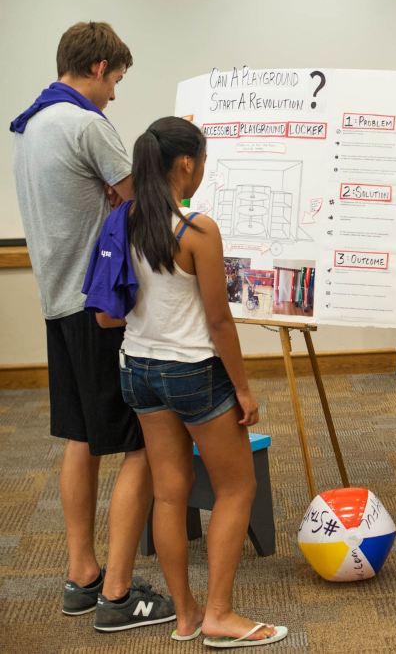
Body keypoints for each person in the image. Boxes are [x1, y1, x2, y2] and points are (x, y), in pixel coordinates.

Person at [10, 21, 174, 631]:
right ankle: (118, 593)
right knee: (144, 443)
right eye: (117, 81)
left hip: (58, 304)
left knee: (81, 438)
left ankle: (81, 575)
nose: (115, 96)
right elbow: (144, 203)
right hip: (99, 309)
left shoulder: (30, 126)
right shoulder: (84, 123)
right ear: (100, 66)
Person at [106, 115, 286, 647]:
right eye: (203, 161)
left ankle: (185, 615)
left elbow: (111, 309)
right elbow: (219, 321)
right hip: (193, 374)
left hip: (137, 370)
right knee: (237, 487)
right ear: (187, 163)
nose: (203, 170)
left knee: (169, 494)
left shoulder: (126, 220)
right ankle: (220, 615)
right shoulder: (197, 230)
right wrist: (245, 391)